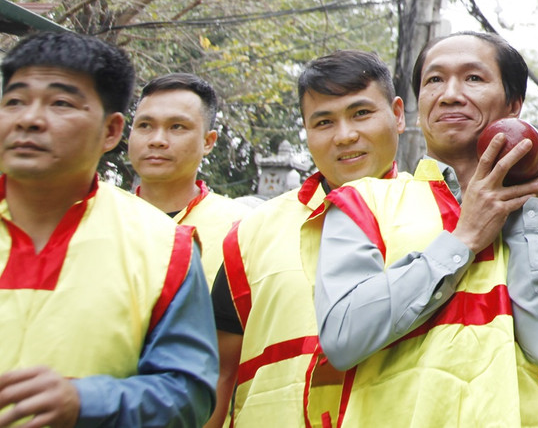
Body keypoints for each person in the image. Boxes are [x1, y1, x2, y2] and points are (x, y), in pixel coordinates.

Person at [314, 31, 538, 427]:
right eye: (434, 80)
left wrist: (528, 204)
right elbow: (342, 338)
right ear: (416, 105)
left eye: (474, 79)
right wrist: (464, 239)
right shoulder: (364, 200)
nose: (450, 94)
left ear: (514, 105)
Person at [0, 32, 217, 428]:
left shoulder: (166, 247)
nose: (28, 118)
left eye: (60, 103)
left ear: (111, 131)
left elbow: (190, 392)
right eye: (14, 100)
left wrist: (86, 401)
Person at [211, 49, 407, 427]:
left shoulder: (442, 221)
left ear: (397, 115)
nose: (345, 136)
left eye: (361, 113)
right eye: (323, 122)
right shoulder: (253, 233)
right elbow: (219, 372)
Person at [129, 72, 247, 283]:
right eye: (145, 125)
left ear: (208, 142)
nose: (157, 140)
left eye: (177, 127)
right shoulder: (98, 217)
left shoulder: (242, 227)